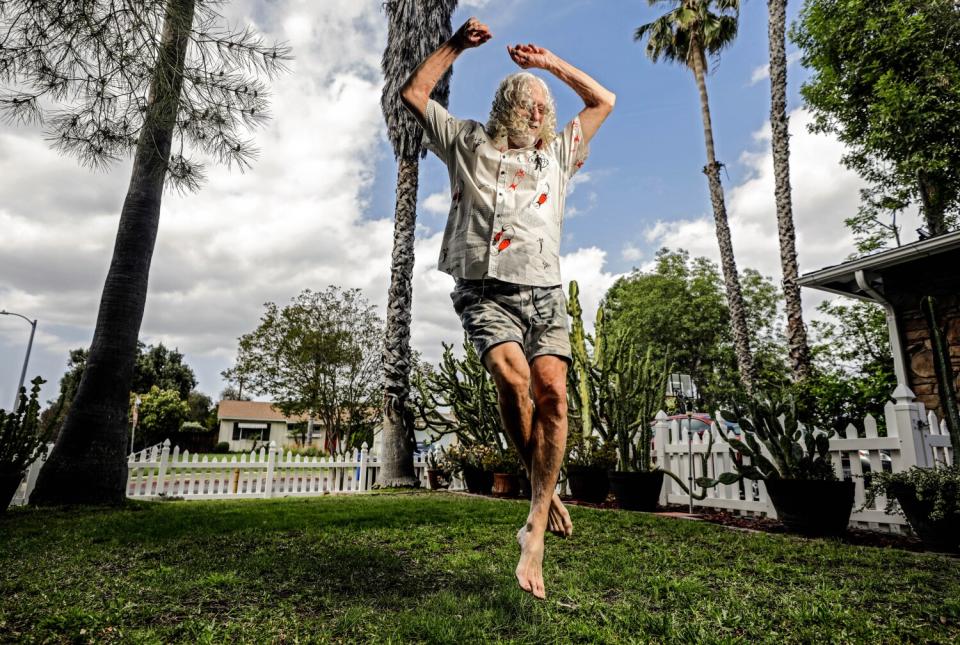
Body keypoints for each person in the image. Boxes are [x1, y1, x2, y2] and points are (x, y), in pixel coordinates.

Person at [400, 17, 615, 600]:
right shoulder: (467, 142)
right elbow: (414, 94)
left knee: (553, 393)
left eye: (543, 104)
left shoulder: (559, 158)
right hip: (484, 288)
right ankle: (541, 487)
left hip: (544, 292)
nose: (539, 110)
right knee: (510, 376)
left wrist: (548, 63)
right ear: (507, 108)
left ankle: (536, 524)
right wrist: (456, 46)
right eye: (529, 101)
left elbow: (603, 100)